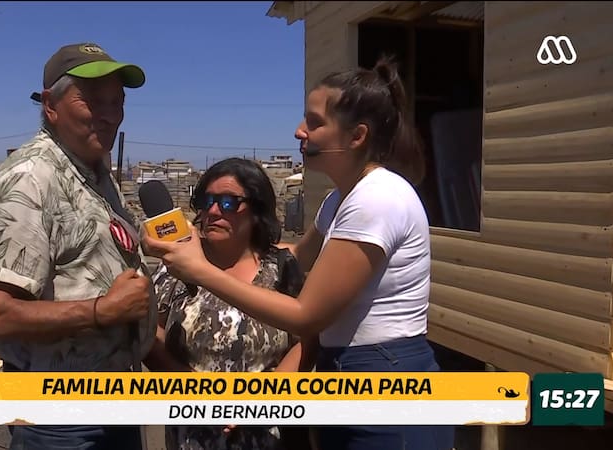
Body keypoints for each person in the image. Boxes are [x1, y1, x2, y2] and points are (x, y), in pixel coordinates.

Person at [142, 55, 455, 450]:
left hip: (383, 373)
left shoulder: (377, 200)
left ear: (356, 136)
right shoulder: (339, 200)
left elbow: (307, 315)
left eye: (314, 122)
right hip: (349, 369)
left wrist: (200, 270)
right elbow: (298, 254)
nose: (299, 131)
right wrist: (203, 242)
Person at [0, 42, 156, 450]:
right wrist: (102, 311)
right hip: (59, 417)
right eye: (91, 100)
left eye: (117, 101)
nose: (110, 115)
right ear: (51, 106)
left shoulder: (94, 170)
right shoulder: (30, 178)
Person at [143, 157, 315, 450]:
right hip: (193, 433)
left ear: (256, 210)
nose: (212, 211)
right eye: (207, 200)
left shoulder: (282, 269)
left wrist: (265, 397)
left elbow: (308, 339)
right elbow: (150, 337)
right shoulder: (175, 269)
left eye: (228, 203)